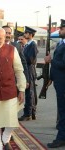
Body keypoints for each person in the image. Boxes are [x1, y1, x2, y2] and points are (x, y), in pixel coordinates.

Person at [45, 19, 65, 148]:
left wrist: (51, 60)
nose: (60, 30)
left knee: (63, 112)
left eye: (62, 29)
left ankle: (61, 138)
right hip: (59, 82)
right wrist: (51, 77)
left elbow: (63, 64)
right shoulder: (61, 43)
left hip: (63, 84)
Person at [18, 26, 38, 121]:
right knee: (28, 93)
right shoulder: (27, 45)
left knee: (29, 93)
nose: (24, 35)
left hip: (29, 71)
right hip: (27, 70)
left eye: (26, 33)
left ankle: (28, 114)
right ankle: (31, 112)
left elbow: (31, 60)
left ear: (30, 35)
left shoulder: (32, 45)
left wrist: (21, 60)